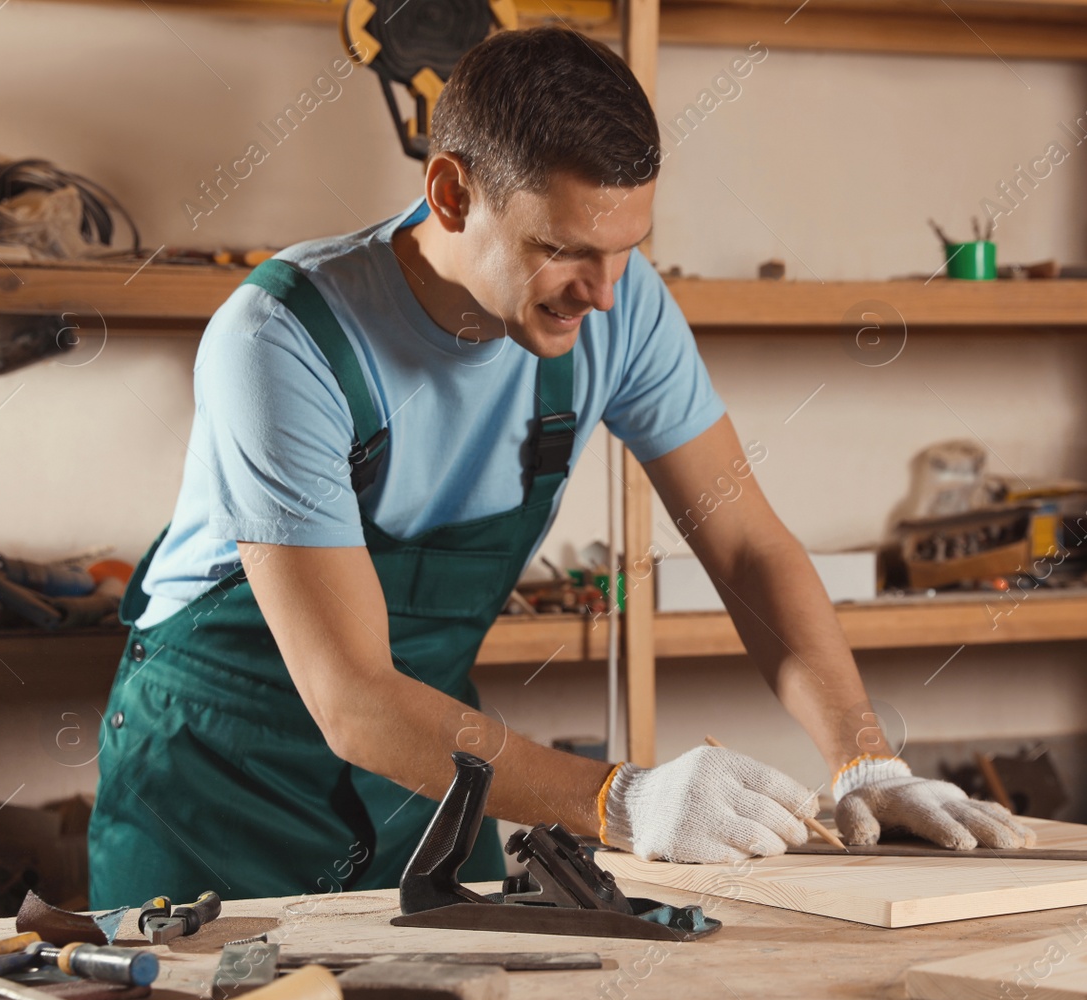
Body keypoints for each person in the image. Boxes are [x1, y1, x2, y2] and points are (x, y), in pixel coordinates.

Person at [86, 26, 1032, 908]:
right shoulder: (280, 338)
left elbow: (745, 547)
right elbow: (354, 696)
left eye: (625, 250)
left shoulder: (618, 306)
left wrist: (864, 761)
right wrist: (618, 800)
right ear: (452, 194)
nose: (605, 291)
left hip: (435, 777)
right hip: (215, 776)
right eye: (562, 250)